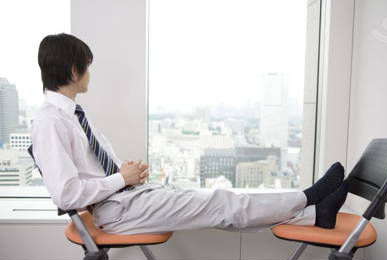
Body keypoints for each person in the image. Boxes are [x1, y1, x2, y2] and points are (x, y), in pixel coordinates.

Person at [31, 33, 349, 236]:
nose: (90, 73)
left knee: (223, 205)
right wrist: (120, 179)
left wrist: (128, 174)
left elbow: (91, 169)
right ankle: (309, 198)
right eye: (87, 67)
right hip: (117, 210)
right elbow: (66, 195)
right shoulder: (51, 123)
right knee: (223, 204)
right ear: (73, 72)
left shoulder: (71, 116)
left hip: (127, 197)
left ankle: (315, 215)